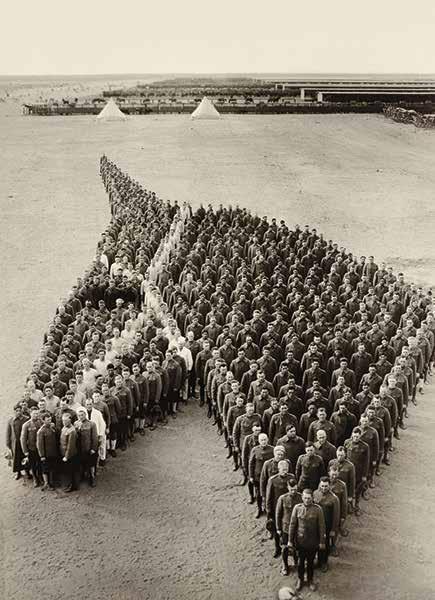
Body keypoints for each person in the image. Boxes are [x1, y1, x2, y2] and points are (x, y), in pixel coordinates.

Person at [289, 488, 326, 592]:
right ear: (302, 498)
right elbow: (292, 524)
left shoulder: (318, 509)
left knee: (310, 562)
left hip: (312, 542)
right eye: (305, 498)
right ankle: (300, 579)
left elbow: (322, 526)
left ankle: (310, 580)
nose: (307, 500)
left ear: (312, 498)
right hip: (300, 541)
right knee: (300, 563)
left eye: (309, 498)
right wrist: (290, 540)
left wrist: (322, 541)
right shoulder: (297, 508)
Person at [266, 460, 292, 558]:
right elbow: (269, 497)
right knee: (277, 529)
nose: (285, 472)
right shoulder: (272, 480)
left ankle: (288, 548)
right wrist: (269, 511)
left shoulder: (291, 477)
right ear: (278, 469)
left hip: (288, 509)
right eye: (283, 470)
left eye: (286, 469)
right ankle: (277, 547)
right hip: (276, 509)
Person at [313, 476, 340, 572]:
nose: (324, 488)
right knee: (316, 543)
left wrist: (333, 530)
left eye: (326, 486)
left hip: (327, 526)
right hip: (316, 524)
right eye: (322, 486)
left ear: (329, 486)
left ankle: (324, 562)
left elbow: (336, 516)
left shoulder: (334, 498)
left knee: (325, 545)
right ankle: (318, 561)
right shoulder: (315, 493)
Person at [275, 478, 302, 575]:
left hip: (298, 528)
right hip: (286, 528)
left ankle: (296, 562)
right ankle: (285, 565)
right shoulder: (282, 498)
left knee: (297, 547)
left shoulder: (301, 497)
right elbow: (278, 514)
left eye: (295, 489)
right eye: (291, 490)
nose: (293, 491)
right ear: (287, 488)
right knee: (285, 548)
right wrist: (278, 528)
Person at [249, 433, 275, 518]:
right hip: (258, 476)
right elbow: (251, 463)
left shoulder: (272, 449)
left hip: (269, 475)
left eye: (265, 440)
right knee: (258, 493)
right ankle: (259, 508)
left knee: (270, 493)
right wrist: (251, 476)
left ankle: (269, 510)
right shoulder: (255, 450)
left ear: (267, 440)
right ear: (259, 441)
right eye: (262, 440)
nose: (264, 441)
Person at [75, 407, 99, 487]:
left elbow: (95, 438)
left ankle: (92, 478)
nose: (81, 417)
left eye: (82, 415)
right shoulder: (76, 423)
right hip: (80, 449)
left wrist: (93, 448)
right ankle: (82, 476)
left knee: (91, 465)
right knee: (81, 463)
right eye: (79, 415)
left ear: (85, 415)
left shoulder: (92, 424)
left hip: (88, 448)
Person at [20, 407, 43, 487]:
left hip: (40, 448)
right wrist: (25, 451)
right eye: (34, 413)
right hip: (31, 448)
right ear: (30, 414)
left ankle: (40, 477)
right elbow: (23, 439)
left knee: (40, 463)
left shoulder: (40, 422)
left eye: (37, 413)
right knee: (33, 465)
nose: (36, 415)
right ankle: (35, 479)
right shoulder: (26, 425)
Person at [36, 411, 58, 490]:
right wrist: (42, 455)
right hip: (46, 454)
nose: (49, 421)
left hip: (53, 452)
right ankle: (46, 483)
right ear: (43, 421)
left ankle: (51, 482)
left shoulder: (52, 427)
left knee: (52, 468)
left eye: (50, 419)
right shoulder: (41, 431)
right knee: (45, 469)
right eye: (48, 420)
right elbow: (39, 445)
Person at [6, 405, 28, 480]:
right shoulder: (11, 420)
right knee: (16, 458)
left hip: (24, 442)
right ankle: (18, 472)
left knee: (25, 457)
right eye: (16, 411)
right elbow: (8, 432)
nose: (18, 412)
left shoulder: (26, 419)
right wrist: (8, 443)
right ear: (14, 411)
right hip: (15, 443)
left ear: (22, 410)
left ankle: (27, 472)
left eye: (20, 410)